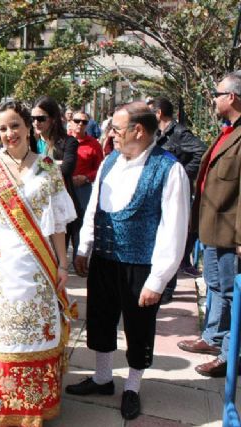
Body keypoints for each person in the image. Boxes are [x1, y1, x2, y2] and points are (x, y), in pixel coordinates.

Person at [67, 102, 190, 420]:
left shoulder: (168, 168)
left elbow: (174, 227)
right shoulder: (109, 162)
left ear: (139, 130)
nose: (112, 134)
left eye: (117, 129)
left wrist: (158, 279)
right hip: (105, 258)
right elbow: (94, 208)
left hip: (140, 264)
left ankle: (133, 387)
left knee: (138, 327)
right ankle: (103, 378)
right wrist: (84, 247)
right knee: (100, 320)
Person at [0, 101, 77, 426]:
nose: (9, 133)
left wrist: (63, 266)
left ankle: (33, 408)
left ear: (28, 126)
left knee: (34, 333)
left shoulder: (49, 168)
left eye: (15, 126)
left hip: (37, 265)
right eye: (3, 128)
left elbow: (58, 225)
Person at [177, 71, 241, 377]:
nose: (213, 101)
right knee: (215, 285)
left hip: (231, 232)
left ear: (231, 97)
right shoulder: (228, 131)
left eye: (217, 95)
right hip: (212, 227)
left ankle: (230, 354)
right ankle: (212, 337)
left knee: (230, 292)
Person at [150, 96, 207, 303]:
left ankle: (167, 288)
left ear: (158, 113)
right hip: (158, 192)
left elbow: (201, 151)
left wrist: (182, 172)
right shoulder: (158, 134)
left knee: (170, 237)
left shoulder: (180, 133)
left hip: (173, 192)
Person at [32, 96, 80, 259]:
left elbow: (67, 168)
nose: (36, 123)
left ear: (52, 119)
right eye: (33, 119)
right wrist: (54, 164)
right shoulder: (30, 142)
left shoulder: (68, 142)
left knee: (57, 258)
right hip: (34, 206)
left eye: (41, 118)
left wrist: (38, 164)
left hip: (58, 205)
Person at [69, 110, 104, 259]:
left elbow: (100, 168)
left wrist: (86, 177)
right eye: (77, 121)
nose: (80, 125)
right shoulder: (63, 141)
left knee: (80, 225)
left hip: (83, 190)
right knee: (63, 227)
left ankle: (79, 259)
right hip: (64, 188)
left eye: (84, 122)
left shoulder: (93, 144)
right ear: (71, 122)